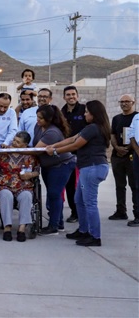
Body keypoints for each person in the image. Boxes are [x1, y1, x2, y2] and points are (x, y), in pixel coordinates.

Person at [46, 100, 110, 247]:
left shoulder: (93, 128)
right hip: (90, 168)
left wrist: (54, 151)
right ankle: (83, 230)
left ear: (94, 114)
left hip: (92, 168)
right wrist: (54, 145)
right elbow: (72, 138)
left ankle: (95, 236)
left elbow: (75, 145)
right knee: (79, 200)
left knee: (90, 203)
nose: (85, 114)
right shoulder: (92, 128)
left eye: (87, 112)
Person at [33, 105, 76, 235]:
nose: (37, 120)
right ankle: (59, 222)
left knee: (54, 194)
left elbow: (36, 150)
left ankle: (54, 226)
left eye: (40, 118)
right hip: (48, 166)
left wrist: (15, 150)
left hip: (61, 165)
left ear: (49, 119)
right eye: (37, 117)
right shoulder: (39, 127)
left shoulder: (52, 132)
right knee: (53, 195)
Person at [0, 131, 40, 242]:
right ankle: (7, 228)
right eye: (14, 140)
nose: (14, 143)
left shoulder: (30, 154)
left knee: (27, 196)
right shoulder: (4, 152)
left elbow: (37, 171)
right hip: (4, 184)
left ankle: (22, 229)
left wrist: (30, 175)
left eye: (18, 142)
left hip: (23, 184)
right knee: (6, 195)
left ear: (25, 145)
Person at [108, 94, 138, 221]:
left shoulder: (136, 118)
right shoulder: (116, 118)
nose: (124, 104)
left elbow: (135, 136)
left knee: (135, 185)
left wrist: (129, 149)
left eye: (127, 101)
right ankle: (121, 211)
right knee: (119, 185)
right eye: (122, 101)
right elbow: (112, 134)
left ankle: (137, 212)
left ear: (133, 102)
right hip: (117, 156)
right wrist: (117, 147)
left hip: (132, 155)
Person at [61, 85, 87, 224]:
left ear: (77, 95)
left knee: (83, 185)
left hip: (83, 154)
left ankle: (85, 212)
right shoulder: (62, 112)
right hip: (67, 155)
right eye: (68, 95)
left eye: (73, 94)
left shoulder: (84, 110)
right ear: (64, 97)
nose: (71, 97)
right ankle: (74, 212)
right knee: (70, 185)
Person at [129, 112, 139, 226]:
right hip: (137, 154)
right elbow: (131, 135)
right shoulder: (136, 117)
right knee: (137, 186)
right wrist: (137, 150)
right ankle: (137, 215)